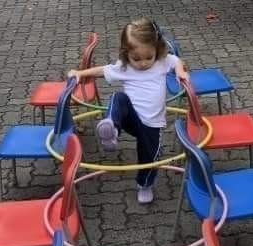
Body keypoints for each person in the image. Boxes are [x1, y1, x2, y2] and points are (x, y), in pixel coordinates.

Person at [68, 18, 189, 204]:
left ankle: (145, 184)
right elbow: (102, 70)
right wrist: (79, 73)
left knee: (150, 156)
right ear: (126, 54)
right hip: (131, 118)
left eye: (149, 57)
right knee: (118, 98)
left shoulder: (162, 61)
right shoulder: (124, 67)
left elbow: (176, 61)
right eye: (136, 58)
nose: (143, 63)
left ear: (157, 49)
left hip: (152, 124)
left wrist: (180, 72)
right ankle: (111, 128)